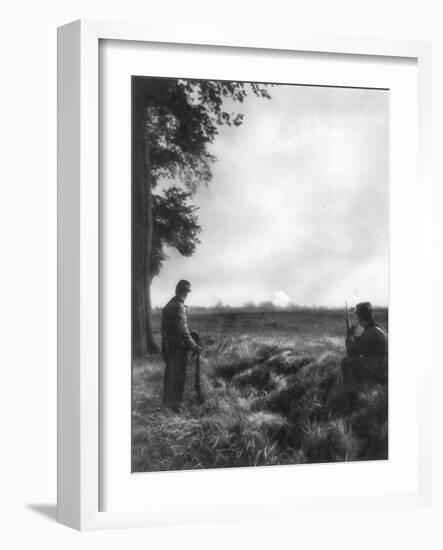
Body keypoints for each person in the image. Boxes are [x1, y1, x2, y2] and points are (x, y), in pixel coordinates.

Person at [161, 280, 201, 410]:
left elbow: (171, 328)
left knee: (170, 375)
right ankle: (174, 406)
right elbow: (182, 332)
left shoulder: (168, 306)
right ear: (185, 293)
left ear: (176, 290)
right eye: (186, 292)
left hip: (168, 347)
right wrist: (195, 346)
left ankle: (167, 404)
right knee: (178, 377)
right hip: (177, 348)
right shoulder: (179, 306)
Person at [341, 302, 388, 387]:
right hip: (384, 365)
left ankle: (351, 391)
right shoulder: (378, 327)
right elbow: (366, 343)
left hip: (381, 369)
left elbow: (351, 352)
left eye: (357, 317)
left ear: (360, 318)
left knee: (346, 362)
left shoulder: (370, 332)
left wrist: (350, 335)